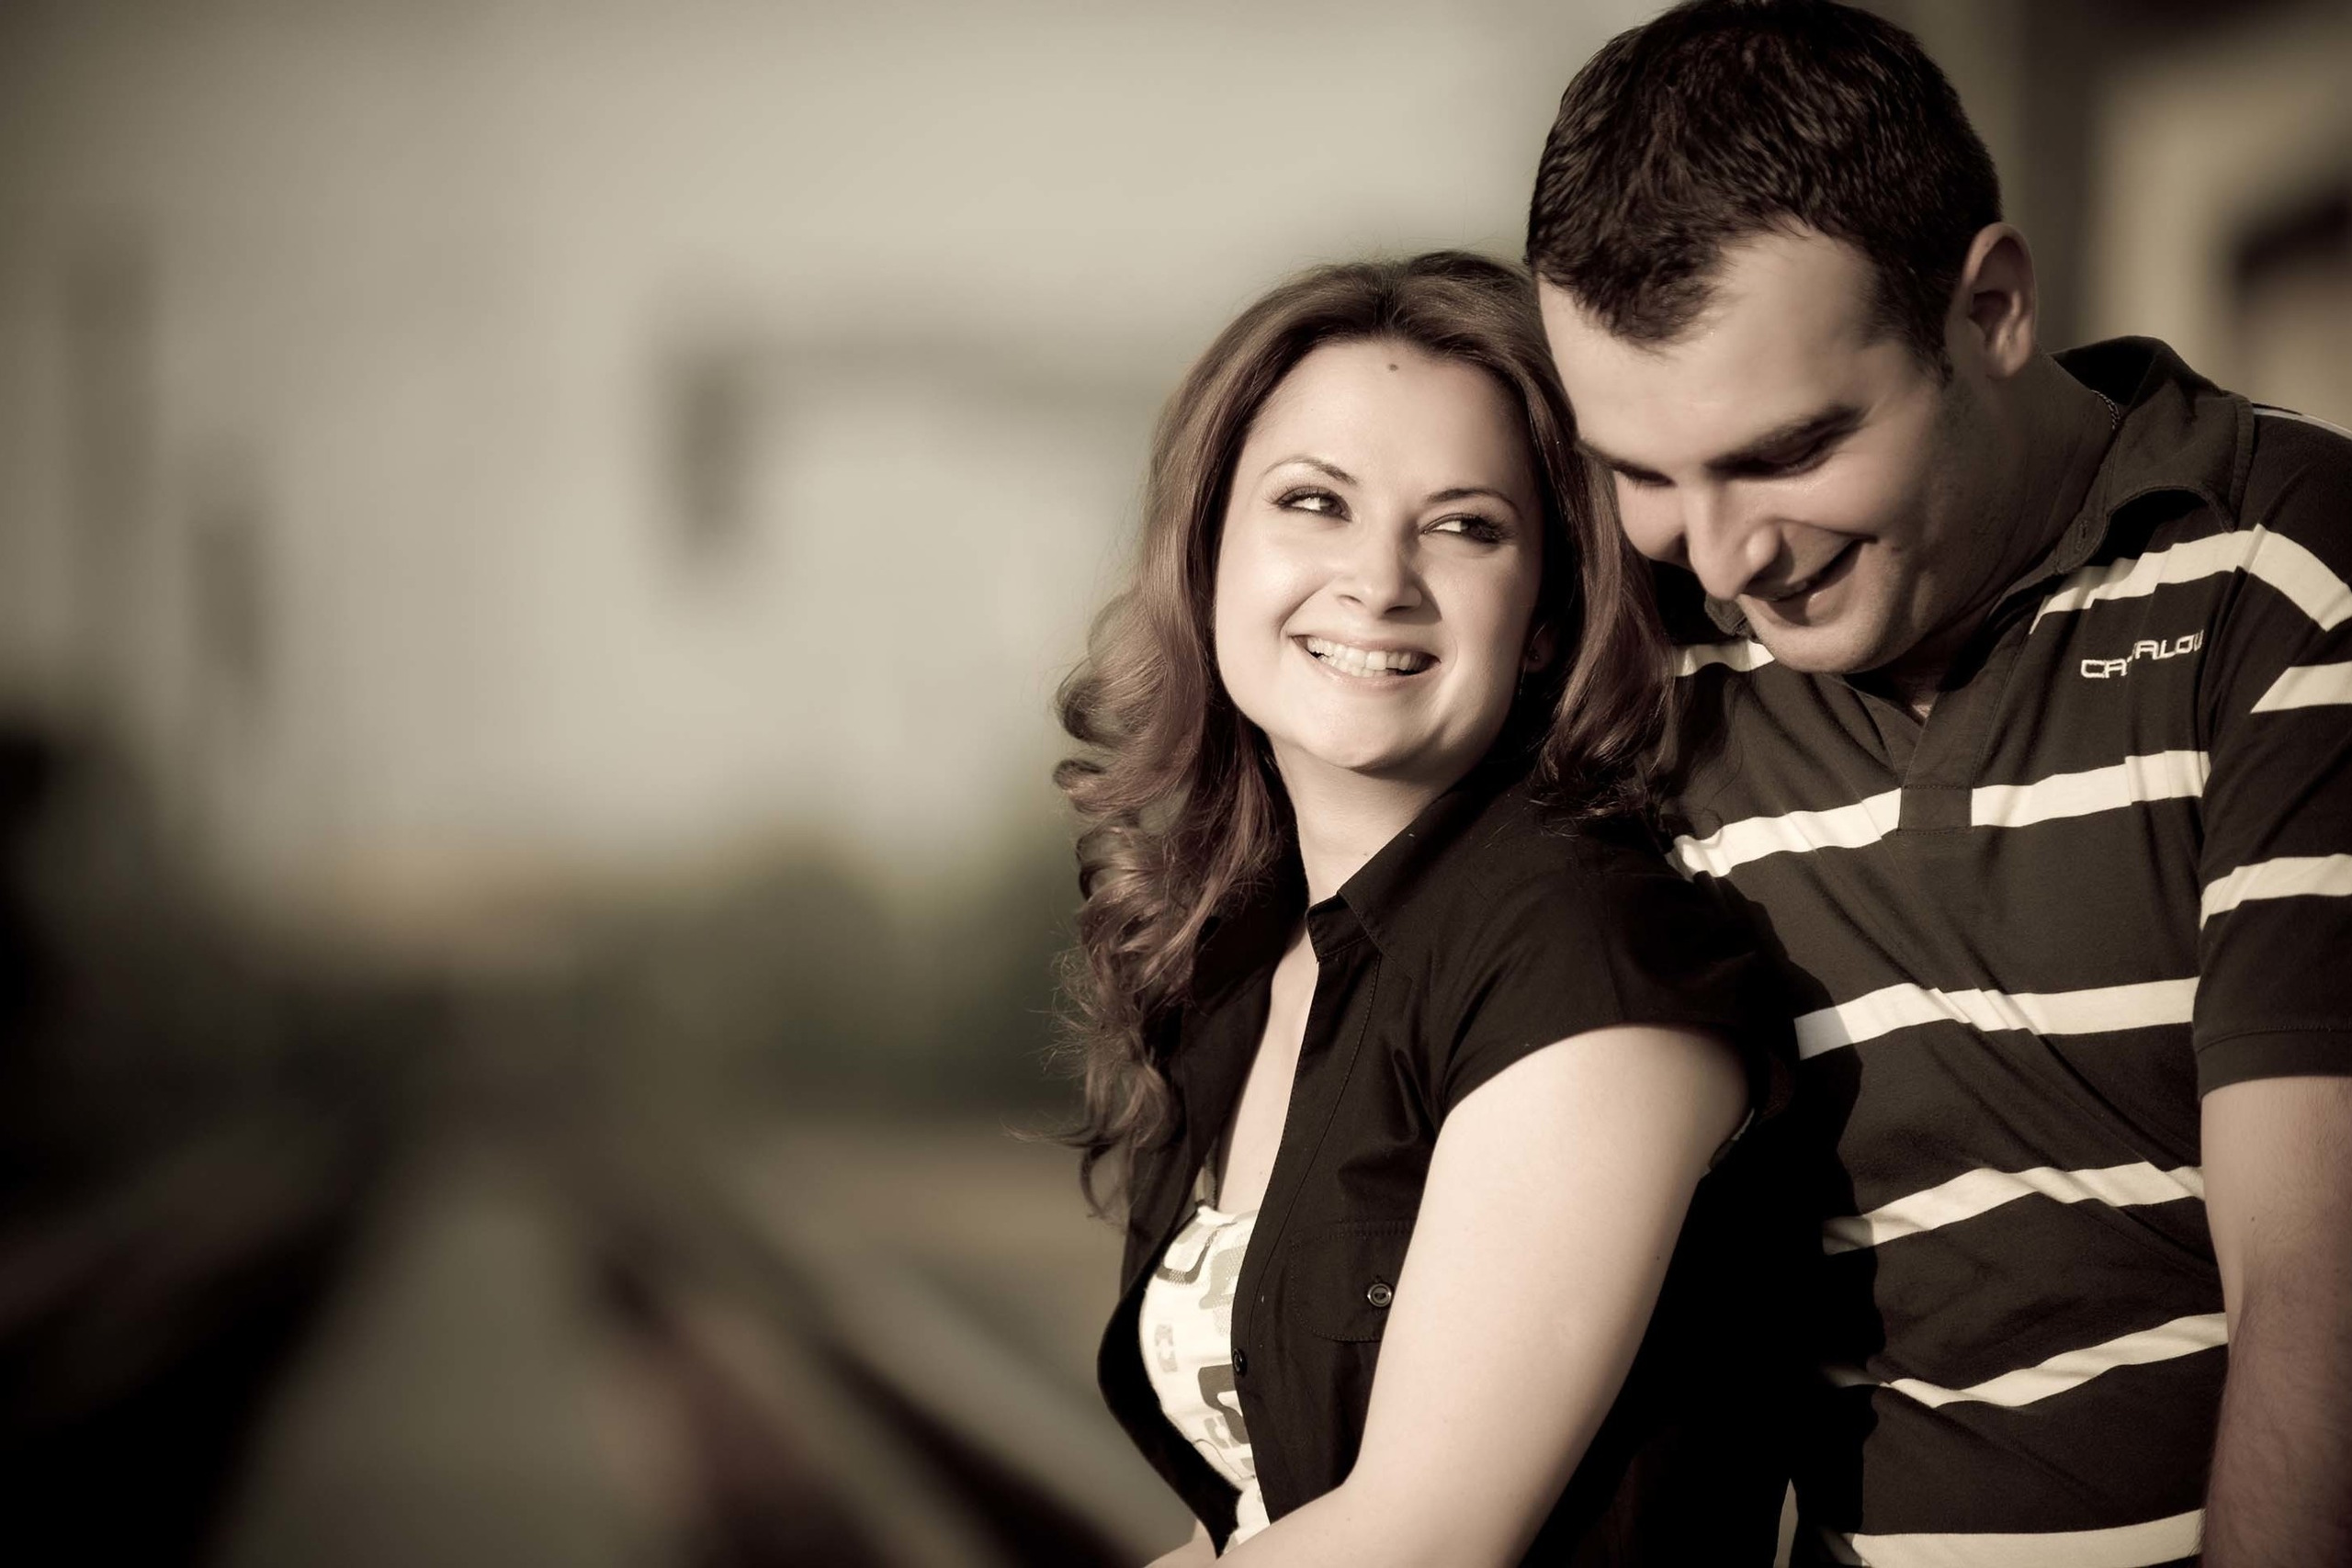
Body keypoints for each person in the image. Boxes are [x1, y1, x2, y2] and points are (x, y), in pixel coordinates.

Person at [1525, 4, 2352, 1565]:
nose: (1724, 557)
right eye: (1640, 471)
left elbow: (2323, 1287)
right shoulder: (1641, 669)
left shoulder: (2289, 578)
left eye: (1785, 452)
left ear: (1991, 308)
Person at [1055, 252, 1797, 1564]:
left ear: (1547, 617)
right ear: (1208, 552)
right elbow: (1251, 1519)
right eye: (1315, 503)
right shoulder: (1242, 964)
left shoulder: (1588, 956)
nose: (1379, 580)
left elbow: (1422, 1540)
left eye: (1464, 527)